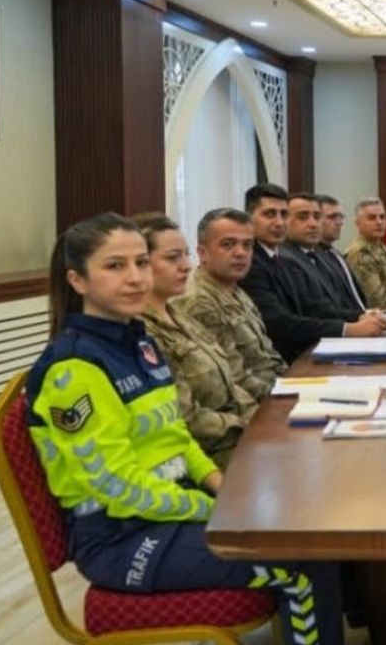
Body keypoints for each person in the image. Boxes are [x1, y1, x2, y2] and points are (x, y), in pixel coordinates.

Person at [28, 212, 344, 645]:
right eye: (115, 266)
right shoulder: (73, 368)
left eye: (141, 262)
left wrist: (220, 486)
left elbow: (177, 437)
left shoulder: (138, 341)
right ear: (77, 280)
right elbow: (115, 486)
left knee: (313, 527)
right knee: (305, 561)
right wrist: (215, 510)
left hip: (173, 513)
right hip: (124, 539)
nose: (135, 277)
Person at [132, 213, 257, 469]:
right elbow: (187, 418)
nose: (186, 266)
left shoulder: (179, 316)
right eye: (172, 258)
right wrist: (249, 425)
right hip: (210, 457)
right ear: (141, 265)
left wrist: (260, 416)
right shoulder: (144, 333)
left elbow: (232, 383)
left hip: (241, 439)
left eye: (185, 255)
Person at [238, 183, 386, 362]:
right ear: (248, 219)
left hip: (304, 354)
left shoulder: (279, 258)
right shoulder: (249, 262)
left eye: (283, 214)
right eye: (269, 214)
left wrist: (359, 316)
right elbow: (279, 323)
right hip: (282, 362)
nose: (279, 222)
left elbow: (313, 307)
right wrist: (348, 329)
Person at [176, 208, 285, 401]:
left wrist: (298, 383)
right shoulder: (198, 301)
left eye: (247, 245)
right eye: (228, 244)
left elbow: (268, 356)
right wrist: (288, 395)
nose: (240, 253)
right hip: (255, 404)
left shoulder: (236, 290)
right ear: (202, 253)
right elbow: (234, 380)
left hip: (277, 388)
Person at [282, 193, 366, 313]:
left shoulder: (323, 257)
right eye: (302, 217)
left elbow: (337, 302)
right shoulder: (284, 258)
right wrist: (358, 319)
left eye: (317, 217)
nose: (313, 224)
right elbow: (314, 310)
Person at [345, 197, 386, 309]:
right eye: (372, 218)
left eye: (382, 217)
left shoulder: (383, 249)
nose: (379, 222)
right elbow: (376, 300)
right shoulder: (360, 253)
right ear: (358, 223)